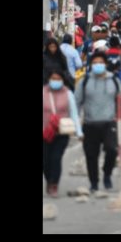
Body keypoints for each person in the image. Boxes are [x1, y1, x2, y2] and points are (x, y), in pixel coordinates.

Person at [75, 51, 121, 192]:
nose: (98, 65)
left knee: (112, 151)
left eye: (100, 63)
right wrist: (75, 124)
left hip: (109, 123)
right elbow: (76, 103)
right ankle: (94, 182)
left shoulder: (113, 81)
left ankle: (107, 174)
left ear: (105, 64)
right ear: (91, 65)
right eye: (95, 63)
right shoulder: (85, 81)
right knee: (91, 155)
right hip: (89, 123)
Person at [43, 70, 82, 198]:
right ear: (49, 80)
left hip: (61, 132)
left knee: (56, 158)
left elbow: (74, 113)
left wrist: (79, 131)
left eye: (58, 79)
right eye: (53, 78)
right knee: (45, 160)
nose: (55, 81)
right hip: (45, 132)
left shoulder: (68, 93)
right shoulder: (43, 92)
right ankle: (49, 179)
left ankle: (54, 183)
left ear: (62, 80)